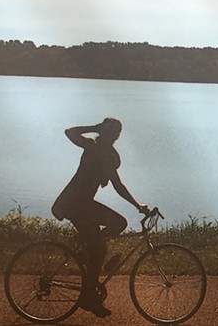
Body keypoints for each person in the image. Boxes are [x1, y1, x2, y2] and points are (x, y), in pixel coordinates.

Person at [52, 118, 148, 318]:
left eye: (117, 133)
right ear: (103, 131)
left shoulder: (108, 156)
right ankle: (88, 297)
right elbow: (69, 131)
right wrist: (94, 128)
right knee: (101, 248)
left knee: (115, 227)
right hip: (74, 204)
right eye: (111, 131)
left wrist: (137, 205)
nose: (114, 136)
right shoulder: (92, 145)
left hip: (83, 205)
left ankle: (87, 253)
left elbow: (117, 184)